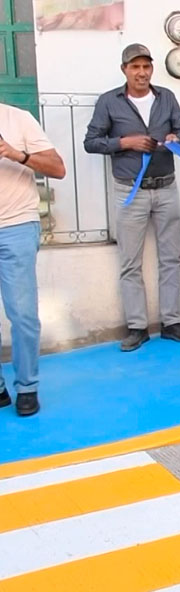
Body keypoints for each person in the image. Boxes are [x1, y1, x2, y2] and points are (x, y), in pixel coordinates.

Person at [84, 43, 180, 351]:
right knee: (130, 262)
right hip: (129, 190)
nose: (142, 72)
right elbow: (91, 142)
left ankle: (172, 322)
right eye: (135, 67)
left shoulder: (166, 97)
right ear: (124, 70)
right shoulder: (109, 102)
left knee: (171, 258)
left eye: (146, 66)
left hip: (166, 188)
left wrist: (176, 139)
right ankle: (137, 327)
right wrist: (125, 142)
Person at [0, 101, 65, 417]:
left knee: (22, 313)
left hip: (16, 226)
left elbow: (58, 168)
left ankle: (27, 387)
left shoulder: (17, 119)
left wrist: (16, 154)